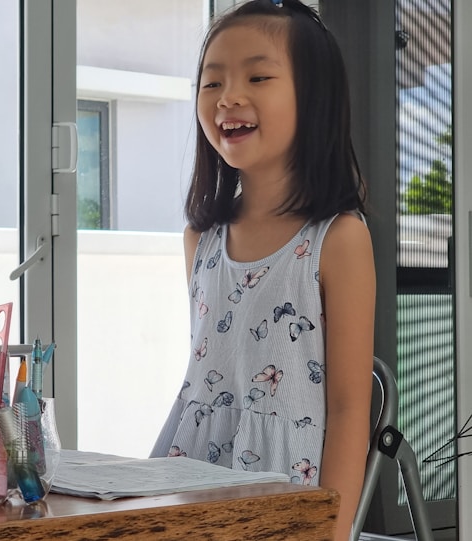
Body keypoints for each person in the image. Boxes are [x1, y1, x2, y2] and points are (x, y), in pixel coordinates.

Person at [149, 1, 375, 539]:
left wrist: (334, 531)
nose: (228, 97)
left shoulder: (338, 239)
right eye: (211, 83)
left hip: (283, 493)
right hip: (187, 475)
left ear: (313, 99)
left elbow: (347, 411)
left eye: (258, 76)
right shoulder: (199, 241)